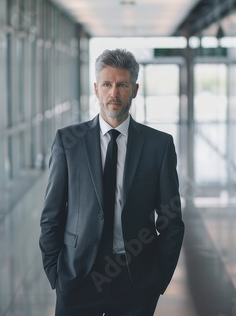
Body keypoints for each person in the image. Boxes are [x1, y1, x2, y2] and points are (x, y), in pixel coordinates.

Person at [39, 48, 184, 316]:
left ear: (135, 89)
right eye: (107, 84)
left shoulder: (159, 146)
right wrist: (56, 275)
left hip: (135, 281)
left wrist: (157, 279)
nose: (113, 93)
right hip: (78, 277)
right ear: (96, 88)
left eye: (122, 85)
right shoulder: (68, 142)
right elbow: (52, 214)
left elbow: (172, 221)